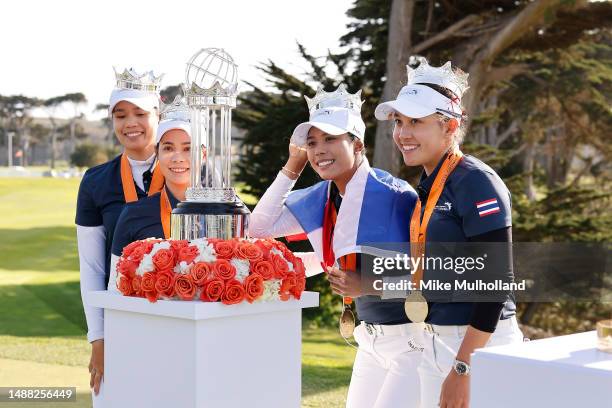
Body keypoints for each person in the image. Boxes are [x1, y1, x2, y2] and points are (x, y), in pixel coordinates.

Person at [250, 85, 423, 408]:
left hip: (411, 340)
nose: (318, 150)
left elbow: (427, 277)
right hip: (369, 338)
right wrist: (293, 167)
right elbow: (258, 230)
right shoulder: (322, 197)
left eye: (330, 139)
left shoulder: (396, 196)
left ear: (357, 144)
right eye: (312, 143)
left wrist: (366, 283)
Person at [375, 57, 524, 408]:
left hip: (479, 344)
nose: (402, 133)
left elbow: (496, 281)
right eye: (399, 121)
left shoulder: (475, 180)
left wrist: (463, 365)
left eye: (416, 122)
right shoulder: (430, 183)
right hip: (435, 340)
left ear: (449, 126)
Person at [76, 67, 163, 396]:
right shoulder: (95, 181)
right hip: (119, 319)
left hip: (177, 312)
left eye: (140, 113)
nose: (130, 124)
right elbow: (93, 267)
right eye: (120, 115)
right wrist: (98, 338)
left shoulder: (188, 173)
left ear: (158, 114)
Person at [110, 101, 191, 276]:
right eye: (168, 148)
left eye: (188, 149)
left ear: (204, 154)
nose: (178, 158)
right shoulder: (133, 214)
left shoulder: (224, 212)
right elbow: (116, 288)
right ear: (157, 153)